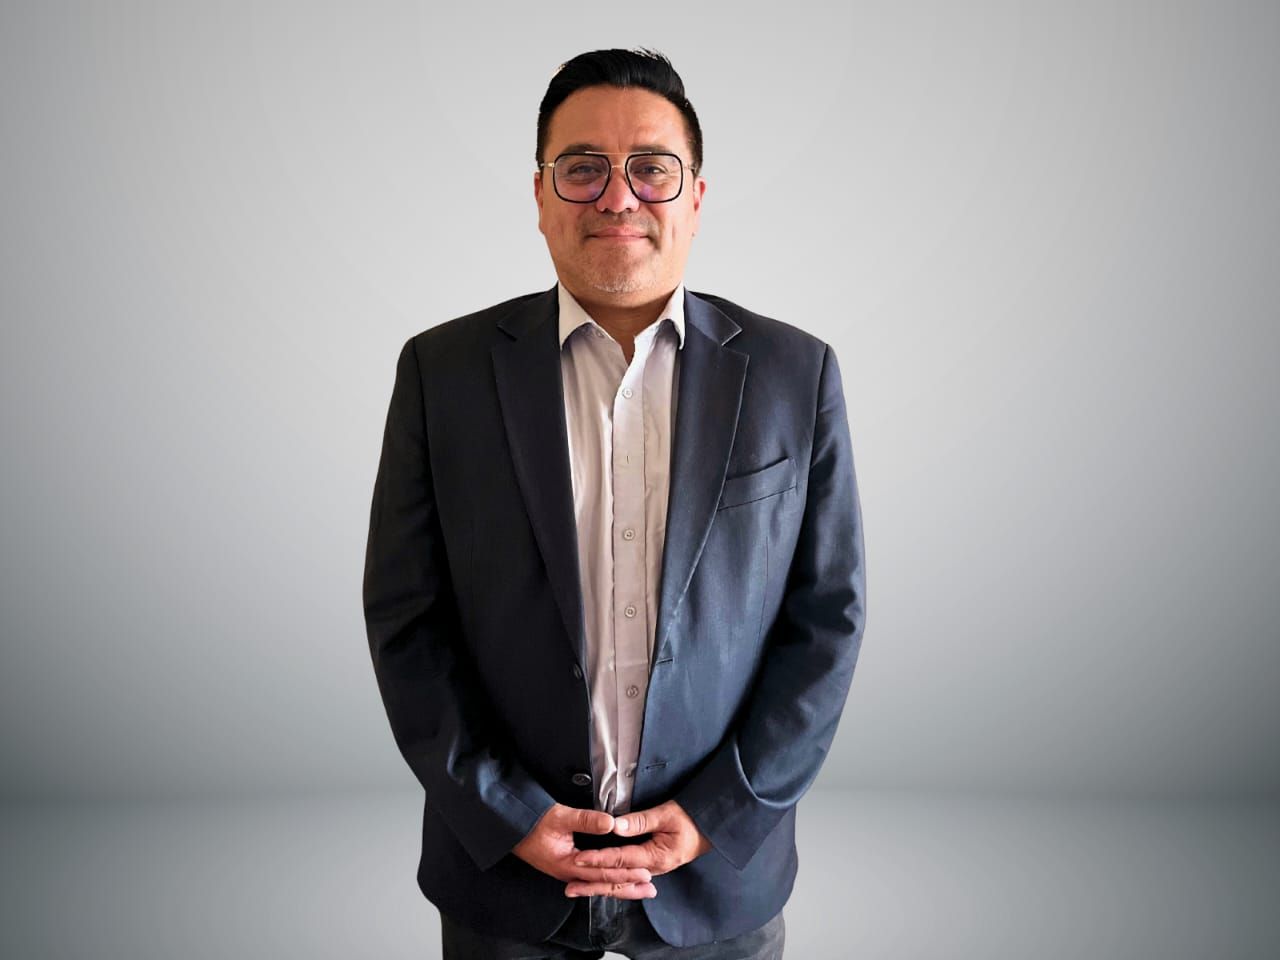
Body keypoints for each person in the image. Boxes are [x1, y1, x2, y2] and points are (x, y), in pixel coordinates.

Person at [362, 48, 866, 958]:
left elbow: (826, 620)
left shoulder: (796, 376)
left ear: (696, 198)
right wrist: (507, 814)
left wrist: (719, 814)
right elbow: (408, 620)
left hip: (719, 874)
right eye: (583, 167)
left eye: (652, 169)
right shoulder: (443, 374)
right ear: (541, 193)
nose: (618, 197)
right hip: (505, 874)